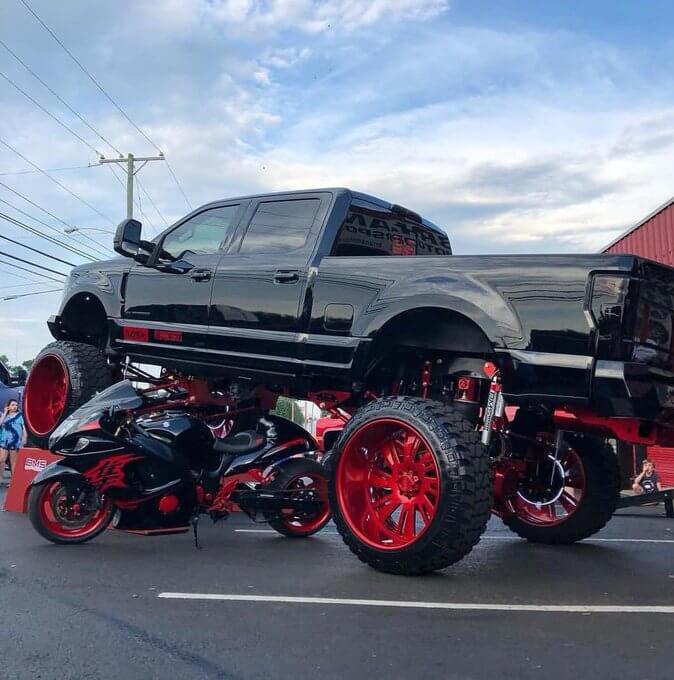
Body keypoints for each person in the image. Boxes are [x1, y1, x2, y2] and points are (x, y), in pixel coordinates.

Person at [0, 398, 27, 485]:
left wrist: (24, 439)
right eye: (12, 405)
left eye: (16, 405)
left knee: (13, 462)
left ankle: (13, 482)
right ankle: (0, 479)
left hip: (15, 442)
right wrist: (4, 413)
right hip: (4, 441)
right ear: (8, 406)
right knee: (1, 460)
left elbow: (24, 429)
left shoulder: (20, 416)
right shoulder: (5, 416)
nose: (15, 406)